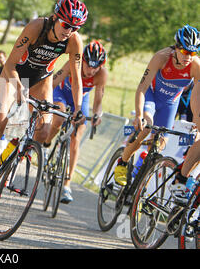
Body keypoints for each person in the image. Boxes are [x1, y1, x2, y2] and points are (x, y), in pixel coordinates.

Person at [0, 0, 89, 212]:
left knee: (43, 131)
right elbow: (10, 64)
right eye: (66, 25)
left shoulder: (74, 41)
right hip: (14, 76)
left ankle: (11, 156)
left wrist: (77, 108)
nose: (69, 31)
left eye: (75, 27)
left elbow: (77, 78)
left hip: (41, 80)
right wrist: (20, 87)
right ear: (57, 17)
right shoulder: (36, 27)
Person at [114, 25, 200, 188]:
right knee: (146, 127)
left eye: (193, 52)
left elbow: (197, 98)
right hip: (151, 97)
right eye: (185, 52)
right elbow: (142, 87)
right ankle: (123, 162)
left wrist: (197, 125)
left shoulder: (196, 65)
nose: (189, 57)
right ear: (176, 48)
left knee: (160, 144)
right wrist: (139, 115)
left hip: (170, 104)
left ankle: (139, 177)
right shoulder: (161, 57)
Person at [43, 40, 108, 203]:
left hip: (81, 100)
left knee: (76, 140)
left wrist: (97, 114)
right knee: (59, 118)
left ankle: (67, 184)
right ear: (83, 60)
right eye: (89, 65)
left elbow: (98, 100)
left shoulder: (101, 75)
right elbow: (55, 81)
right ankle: (47, 142)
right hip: (62, 94)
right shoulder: (74, 62)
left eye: (96, 67)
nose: (92, 70)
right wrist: (45, 97)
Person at [169, 26, 200, 205]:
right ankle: (181, 178)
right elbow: (196, 94)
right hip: (192, 101)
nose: (188, 55)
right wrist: (196, 119)